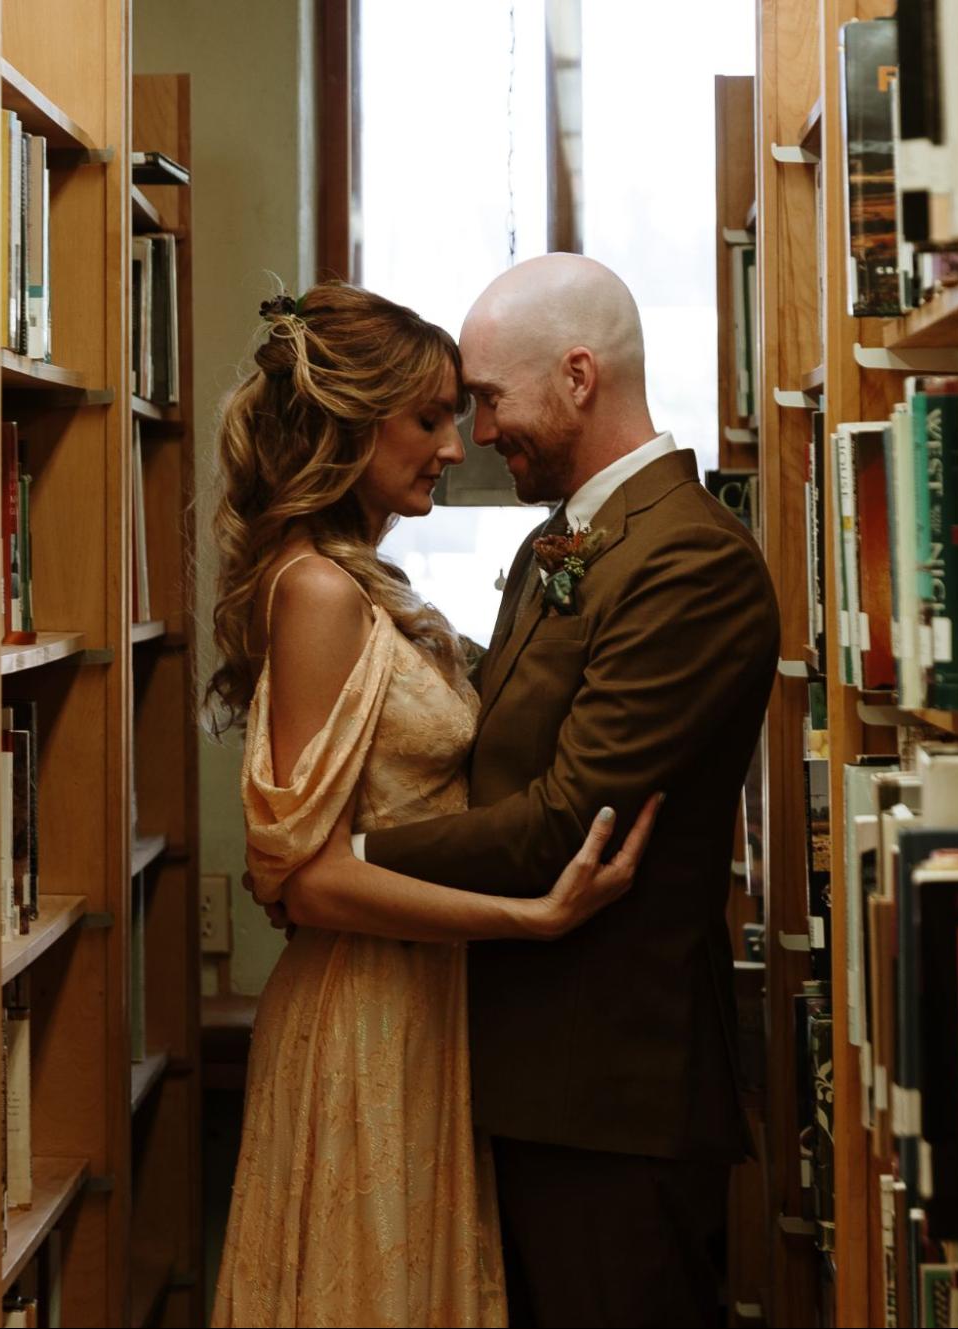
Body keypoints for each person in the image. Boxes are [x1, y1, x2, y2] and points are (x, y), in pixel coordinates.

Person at [206, 282, 661, 1328]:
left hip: (423, 1004)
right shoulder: (317, 591)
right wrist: (528, 919)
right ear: (349, 424)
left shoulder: (358, 580)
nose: (457, 448)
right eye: (428, 420)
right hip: (365, 1014)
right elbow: (307, 880)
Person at [344, 254, 781, 1326]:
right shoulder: (566, 541)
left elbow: (563, 821)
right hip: (532, 1070)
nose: (478, 435)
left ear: (578, 375)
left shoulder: (693, 562)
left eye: (489, 400)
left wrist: (345, 862)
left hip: (612, 1095)